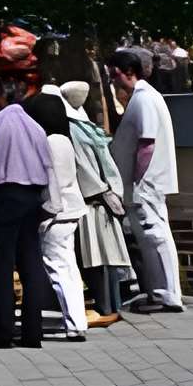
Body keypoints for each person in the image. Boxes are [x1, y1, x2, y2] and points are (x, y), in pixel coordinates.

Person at [0, 79, 55, 349]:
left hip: (3, 194)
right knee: (31, 263)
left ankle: (2, 332)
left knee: (1, 264)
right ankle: (33, 332)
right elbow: (48, 164)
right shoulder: (36, 127)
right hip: (32, 197)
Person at [109, 47, 187, 311]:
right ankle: (159, 292)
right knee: (149, 237)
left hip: (145, 183)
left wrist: (136, 179)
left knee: (154, 236)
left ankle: (167, 295)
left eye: (115, 74)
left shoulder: (144, 99)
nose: (113, 80)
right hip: (142, 183)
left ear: (129, 72)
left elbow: (147, 143)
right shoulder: (143, 97)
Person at [24, 76, 90, 341]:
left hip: (56, 214)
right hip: (71, 210)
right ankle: (78, 320)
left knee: (58, 267)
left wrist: (42, 215)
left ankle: (74, 324)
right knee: (69, 267)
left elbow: (52, 186)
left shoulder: (49, 142)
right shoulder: (64, 139)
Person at [62, 81, 132, 320]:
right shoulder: (87, 127)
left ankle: (106, 306)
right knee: (106, 257)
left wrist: (100, 191)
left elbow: (83, 167)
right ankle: (112, 305)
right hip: (105, 197)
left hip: (93, 201)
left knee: (97, 257)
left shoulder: (73, 130)